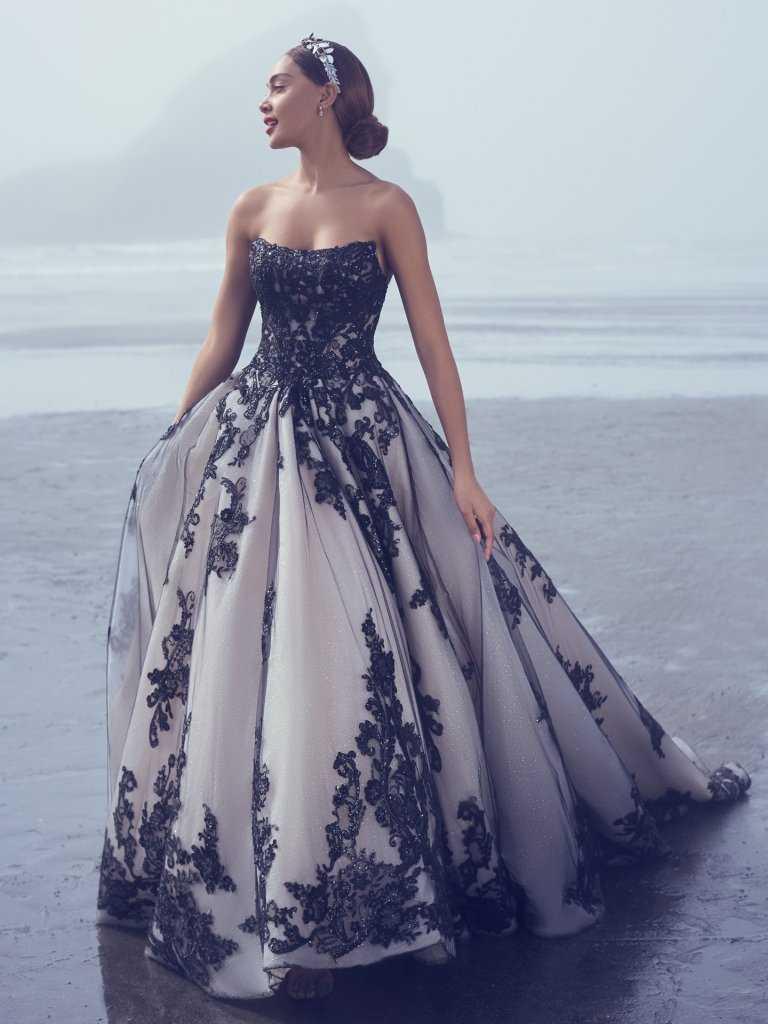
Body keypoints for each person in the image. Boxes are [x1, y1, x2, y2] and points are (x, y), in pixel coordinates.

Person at [95, 33, 751, 1003]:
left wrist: (469, 473)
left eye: (277, 86)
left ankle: (375, 877)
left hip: (364, 441)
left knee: (369, 650)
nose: (263, 102)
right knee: (248, 652)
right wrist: (175, 440)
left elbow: (435, 345)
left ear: (326, 94)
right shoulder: (250, 209)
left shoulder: (388, 207)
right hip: (259, 445)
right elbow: (222, 342)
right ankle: (273, 874)